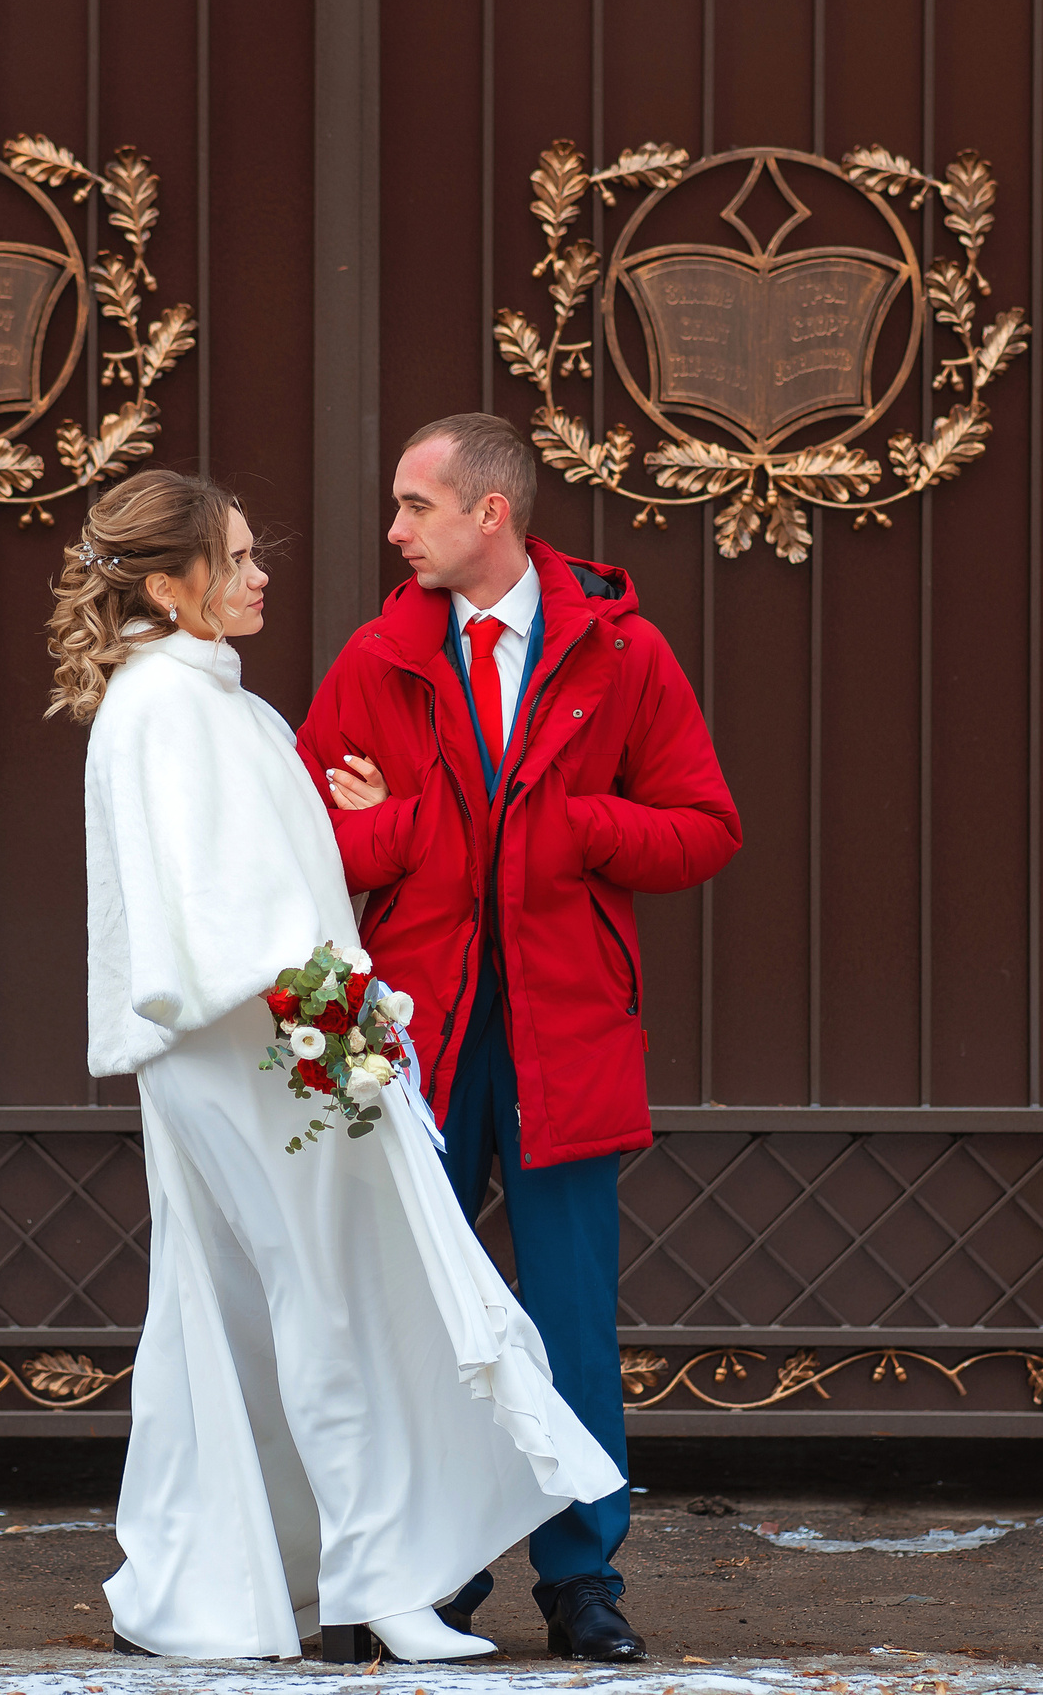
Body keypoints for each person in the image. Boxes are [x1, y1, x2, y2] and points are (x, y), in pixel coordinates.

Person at [55, 469, 625, 1664]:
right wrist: (340, 1020)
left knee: (257, 1310)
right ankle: (375, 1577)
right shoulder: (169, 707)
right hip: (261, 1049)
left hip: (279, 1037)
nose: (265, 575)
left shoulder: (216, 703)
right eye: (241, 557)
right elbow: (210, 909)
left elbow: (263, 874)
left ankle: (255, 1571)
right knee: (330, 1300)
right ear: (170, 583)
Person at [295, 414, 742, 1663]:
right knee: (419, 1312)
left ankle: (581, 1576)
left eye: (414, 504)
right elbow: (304, 837)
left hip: (564, 1027)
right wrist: (419, 826)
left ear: (490, 512)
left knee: (563, 1315)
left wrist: (579, 823)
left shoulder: (623, 654)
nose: (395, 530)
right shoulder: (377, 659)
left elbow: (705, 825)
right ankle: (425, 1572)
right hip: (414, 1034)